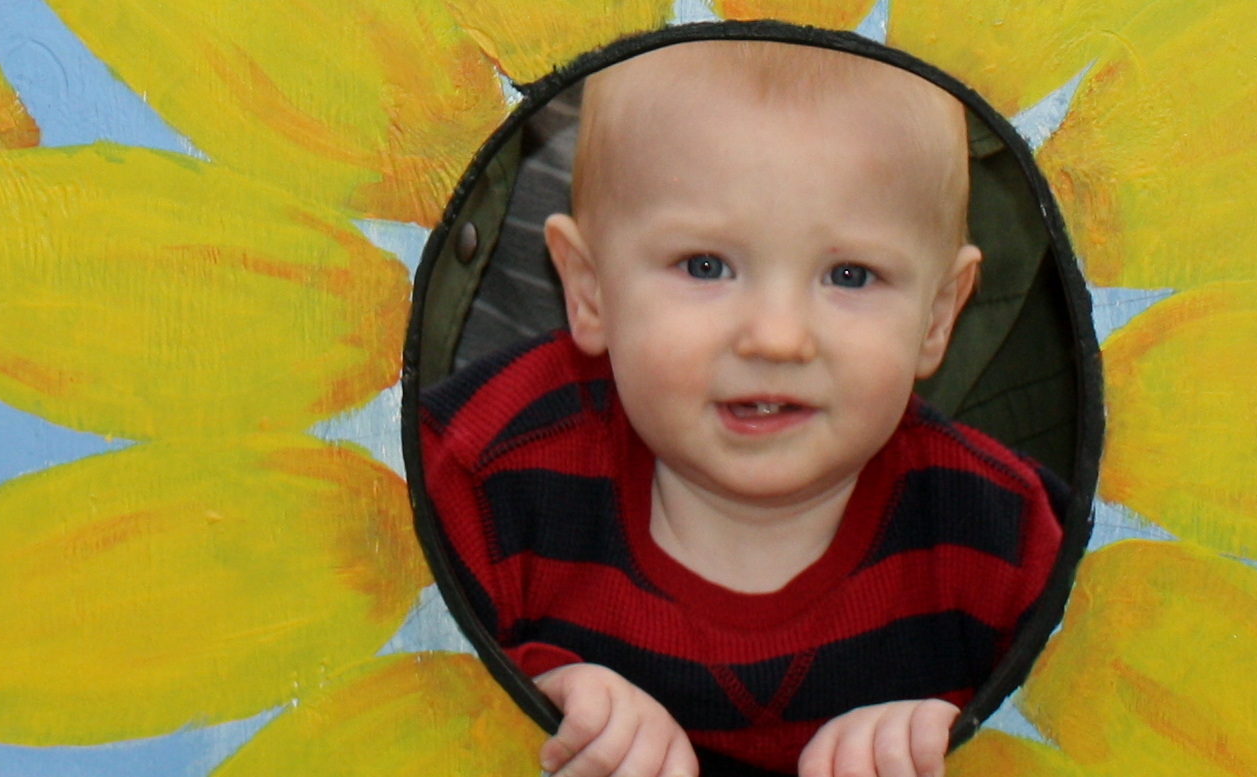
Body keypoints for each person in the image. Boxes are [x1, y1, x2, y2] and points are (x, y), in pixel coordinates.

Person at [417, 42, 1061, 777]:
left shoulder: (1005, 541)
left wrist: (982, 742)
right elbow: (369, 691)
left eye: (851, 275)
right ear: (589, 288)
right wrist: (518, 707)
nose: (777, 338)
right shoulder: (480, 476)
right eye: (706, 266)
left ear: (939, 315)